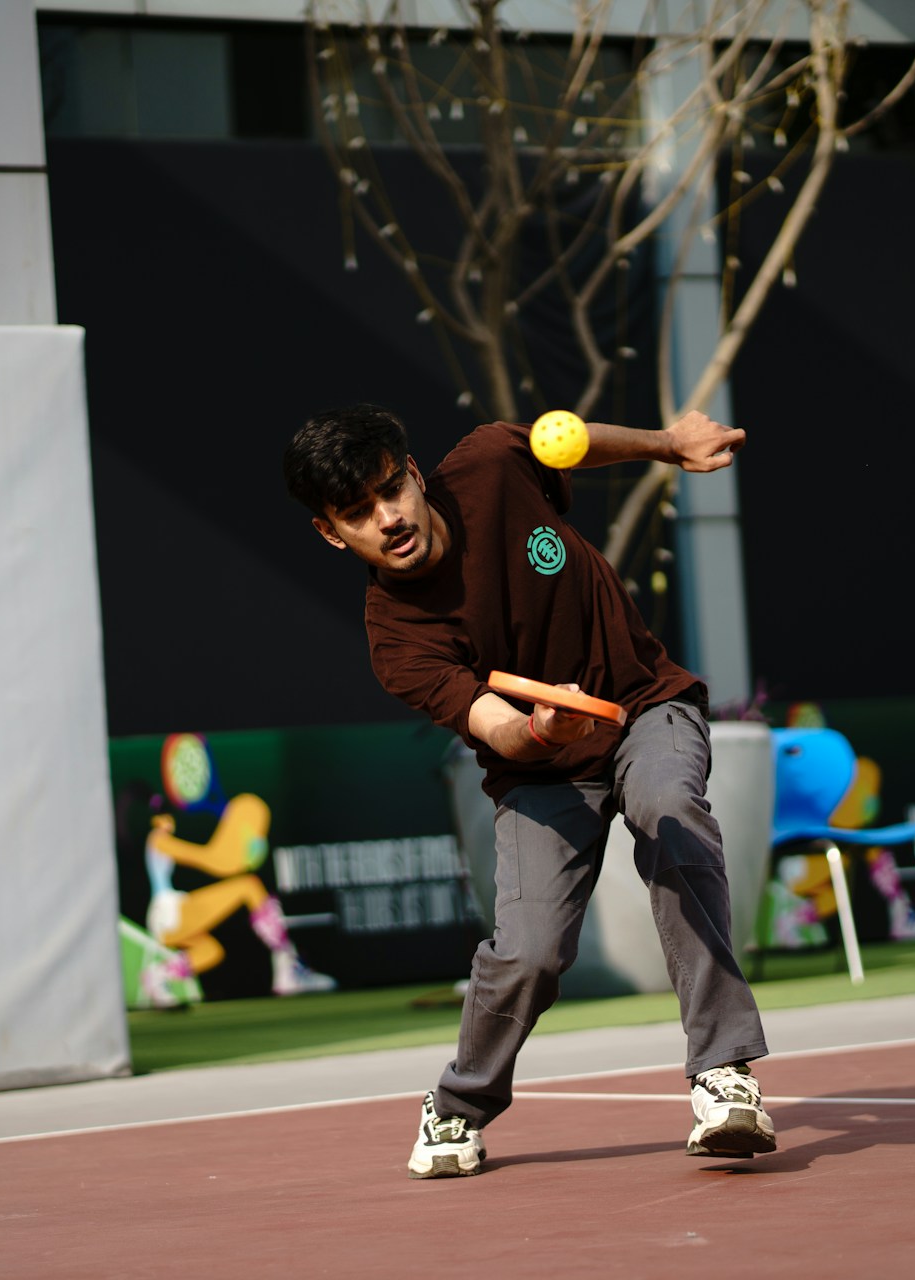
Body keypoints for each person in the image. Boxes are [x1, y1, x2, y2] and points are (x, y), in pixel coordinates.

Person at [282, 403, 775, 1179]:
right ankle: (457, 1106)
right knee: (531, 952)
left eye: (390, 492)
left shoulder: (489, 463)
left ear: (413, 475)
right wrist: (542, 731)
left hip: (646, 705)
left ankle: (724, 1075)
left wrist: (669, 445)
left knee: (670, 811)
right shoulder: (396, 637)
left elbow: (570, 444)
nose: (388, 519)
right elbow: (495, 726)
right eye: (357, 513)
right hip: (543, 771)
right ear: (330, 532)